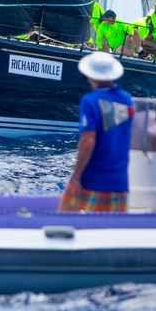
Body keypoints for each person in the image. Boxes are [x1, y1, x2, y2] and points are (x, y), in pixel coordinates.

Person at [59, 52, 134, 213]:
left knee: (66, 216)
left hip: (93, 181)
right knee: (110, 233)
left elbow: (88, 140)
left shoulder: (90, 101)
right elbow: (118, 135)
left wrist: (76, 176)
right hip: (120, 182)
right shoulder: (127, 100)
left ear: (90, 75)